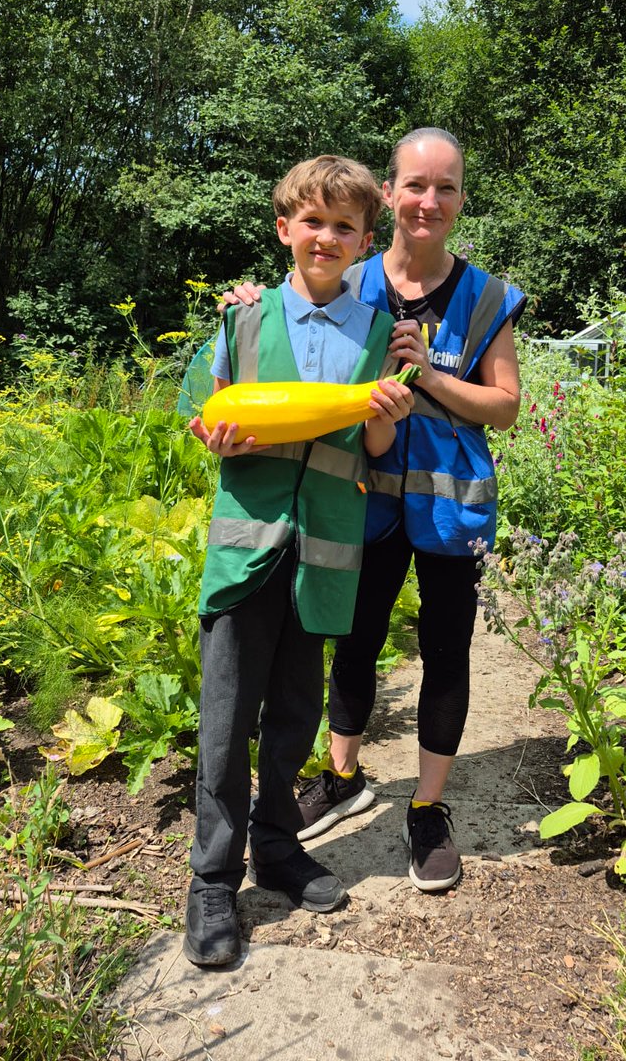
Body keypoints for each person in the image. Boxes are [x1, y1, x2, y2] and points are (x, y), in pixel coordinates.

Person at [223, 128, 526, 895]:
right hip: (360, 498)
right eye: (415, 185)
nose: (429, 201)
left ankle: (426, 809)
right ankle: (343, 776)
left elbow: (507, 407)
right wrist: (247, 303)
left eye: (446, 187)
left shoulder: (486, 296)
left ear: (460, 200)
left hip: (451, 510)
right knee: (354, 642)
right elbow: (297, 311)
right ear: (388, 194)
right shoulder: (351, 277)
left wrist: (427, 376)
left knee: (445, 649)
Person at [177, 155, 414, 967]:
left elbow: (375, 446)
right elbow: (196, 414)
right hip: (248, 546)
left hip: (327, 550)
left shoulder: (378, 332)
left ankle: (276, 849)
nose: (326, 236)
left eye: (344, 227)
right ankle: (212, 880)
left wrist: (387, 411)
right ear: (285, 230)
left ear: (363, 242)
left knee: (292, 718)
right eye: (312, 221)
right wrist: (213, 434)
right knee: (225, 720)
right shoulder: (242, 319)